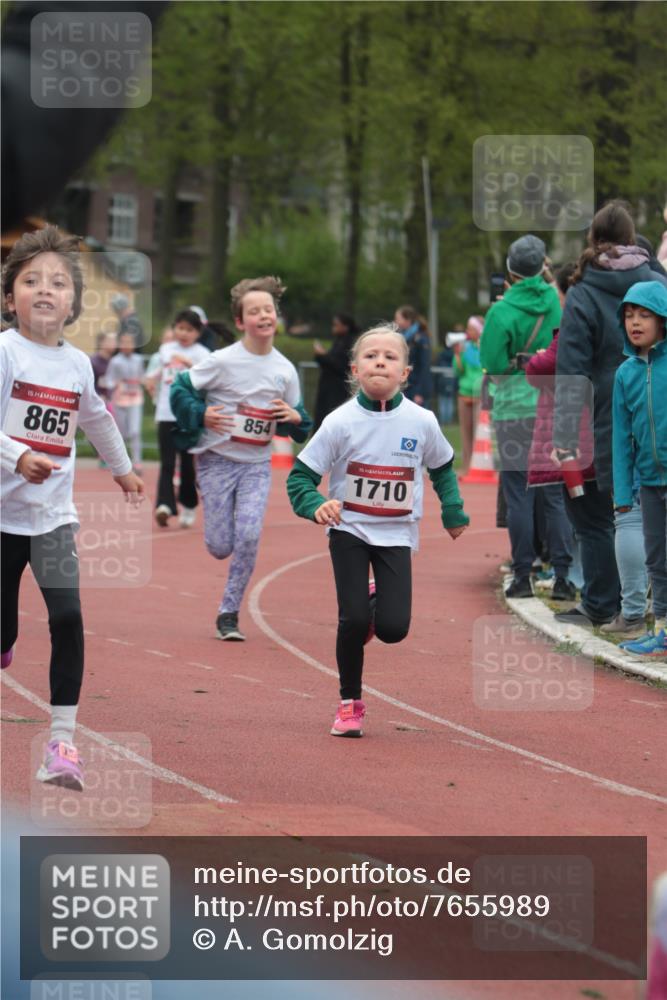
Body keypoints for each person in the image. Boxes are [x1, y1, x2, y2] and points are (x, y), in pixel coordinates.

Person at [0, 225, 143, 790]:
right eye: (31, 280)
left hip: (52, 518)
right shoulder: (5, 352)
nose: (44, 289)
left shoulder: (79, 365)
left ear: (73, 304)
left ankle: (61, 743)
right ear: (10, 296)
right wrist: (18, 456)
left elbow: (98, 420)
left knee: (68, 615)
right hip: (1, 517)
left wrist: (123, 469)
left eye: (58, 283)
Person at [286, 326, 469, 737]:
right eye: (371, 356)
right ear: (355, 369)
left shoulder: (421, 421)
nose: (380, 361)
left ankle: (373, 601)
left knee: (393, 629)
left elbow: (441, 466)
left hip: (396, 535)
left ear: (405, 371)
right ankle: (349, 703)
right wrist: (317, 505)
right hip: (348, 530)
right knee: (351, 621)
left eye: (390, 356)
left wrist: (453, 509)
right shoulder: (340, 421)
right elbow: (299, 478)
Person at [170, 276, 312, 640]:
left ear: (276, 316)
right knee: (220, 547)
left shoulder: (285, 370)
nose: (263, 315)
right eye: (254, 311)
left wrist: (296, 420)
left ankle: (228, 612)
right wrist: (199, 415)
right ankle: (215, 533)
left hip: (256, 465)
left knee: (248, 536)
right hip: (216, 459)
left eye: (268, 309)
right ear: (240, 321)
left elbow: (298, 422)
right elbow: (180, 388)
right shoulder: (222, 361)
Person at [552, 200, 667, 626]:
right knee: (648, 511)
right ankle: (647, 606)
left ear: (593, 238)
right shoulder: (657, 278)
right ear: (632, 236)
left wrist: (563, 434)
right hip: (656, 405)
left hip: (601, 410)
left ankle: (604, 603)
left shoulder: (584, 287)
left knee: (596, 514)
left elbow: (572, 367)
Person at [479, 234, 561, 598]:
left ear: (510, 272)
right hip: (553, 405)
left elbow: (492, 364)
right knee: (553, 495)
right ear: (543, 266)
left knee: (519, 496)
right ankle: (564, 577)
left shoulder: (500, 312)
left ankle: (522, 577)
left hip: (513, 406)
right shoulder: (556, 303)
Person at [612, 281, 667, 656]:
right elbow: (620, 438)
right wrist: (621, 492)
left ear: (662, 320)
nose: (635, 322)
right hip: (648, 483)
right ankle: (662, 630)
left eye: (644, 315)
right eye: (629, 316)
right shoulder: (625, 373)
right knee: (657, 560)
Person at [146, 309, 210, 529]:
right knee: (167, 463)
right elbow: (159, 368)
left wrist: (188, 362)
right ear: (174, 328)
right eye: (180, 328)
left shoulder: (202, 353)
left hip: (189, 416)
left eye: (189, 330)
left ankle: (189, 504)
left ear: (198, 332)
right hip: (166, 413)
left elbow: (204, 379)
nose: (183, 333)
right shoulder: (166, 349)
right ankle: (164, 505)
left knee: (187, 465)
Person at [104, 331, 145, 473]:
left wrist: (144, 382)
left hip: (135, 398)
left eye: (130, 342)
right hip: (120, 400)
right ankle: (121, 462)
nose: (127, 345)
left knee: (135, 431)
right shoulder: (115, 361)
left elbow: (142, 376)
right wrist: (115, 384)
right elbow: (108, 380)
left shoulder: (138, 360)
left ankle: (137, 462)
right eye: (124, 342)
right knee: (122, 433)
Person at [312, 313, 359, 431]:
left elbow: (340, 366)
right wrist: (321, 356)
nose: (334, 328)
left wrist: (323, 355)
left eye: (336, 325)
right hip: (328, 386)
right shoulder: (339, 341)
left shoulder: (349, 343)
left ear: (345, 327)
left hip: (338, 389)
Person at [453, 315, 484, 475]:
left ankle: (480, 467)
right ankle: (466, 466)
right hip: (464, 393)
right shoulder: (464, 347)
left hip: (480, 394)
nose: (467, 331)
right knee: (466, 433)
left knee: (479, 433)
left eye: (471, 328)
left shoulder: (486, 346)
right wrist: (457, 355)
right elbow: (458, 371)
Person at [393, 305, 433, 406]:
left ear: (408, 320)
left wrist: (419, 392)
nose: (395, 321)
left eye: (398, 318)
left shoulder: (421, 339)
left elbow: (424, 366)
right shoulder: (401, 337)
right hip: (405, 386)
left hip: (416, 388)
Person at [89, 331, 117, 403]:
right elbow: (89, 384)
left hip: (114, 402)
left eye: (115, 341)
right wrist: (98, 395)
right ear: (101, 342)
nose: (114, 344)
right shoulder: (93, 362)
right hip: (97, 402)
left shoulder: (115, 362)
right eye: (111, 341)